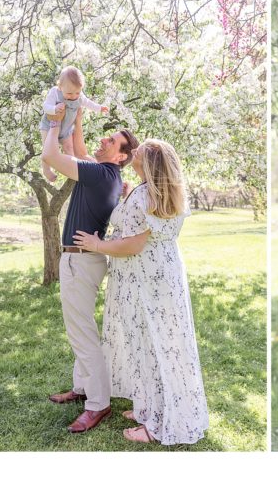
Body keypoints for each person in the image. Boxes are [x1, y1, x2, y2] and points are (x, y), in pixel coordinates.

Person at [73, 138, 208, 445]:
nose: (135, 151)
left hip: (146, 280)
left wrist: (97, 245)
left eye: (141, 150)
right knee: (152, 344)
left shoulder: (146, 194)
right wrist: (125, 196)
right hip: (158, 275)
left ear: (150, 162)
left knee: (153, 346)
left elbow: (133, 244)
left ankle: (157, 424)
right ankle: (150, 407)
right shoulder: (153, 191)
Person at [43, 111, 139, 434]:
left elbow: (52, 155)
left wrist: (55, 120)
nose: (104, 139)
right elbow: (80, 152)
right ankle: (82, 387)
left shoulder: (100, 175)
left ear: (122, 155)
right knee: (81, 327)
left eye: (111, 140)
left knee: (82, 332)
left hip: (81, 261)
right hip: (83, 260)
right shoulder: (106, 174)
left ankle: (99, 403)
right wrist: (78, 117)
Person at [39, 66, 109, 182]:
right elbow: (46, 106)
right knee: (48, 148)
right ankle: (47, 170)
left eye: (77, 92)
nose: (74, 96)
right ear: (60, 86)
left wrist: (99, 108)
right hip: (49, 126)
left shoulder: (79, 96)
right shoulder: (55, 93)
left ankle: (72, 168)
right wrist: (55, 108)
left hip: (66, 129)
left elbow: (88, 103)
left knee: (69, 148)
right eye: (70, 93)